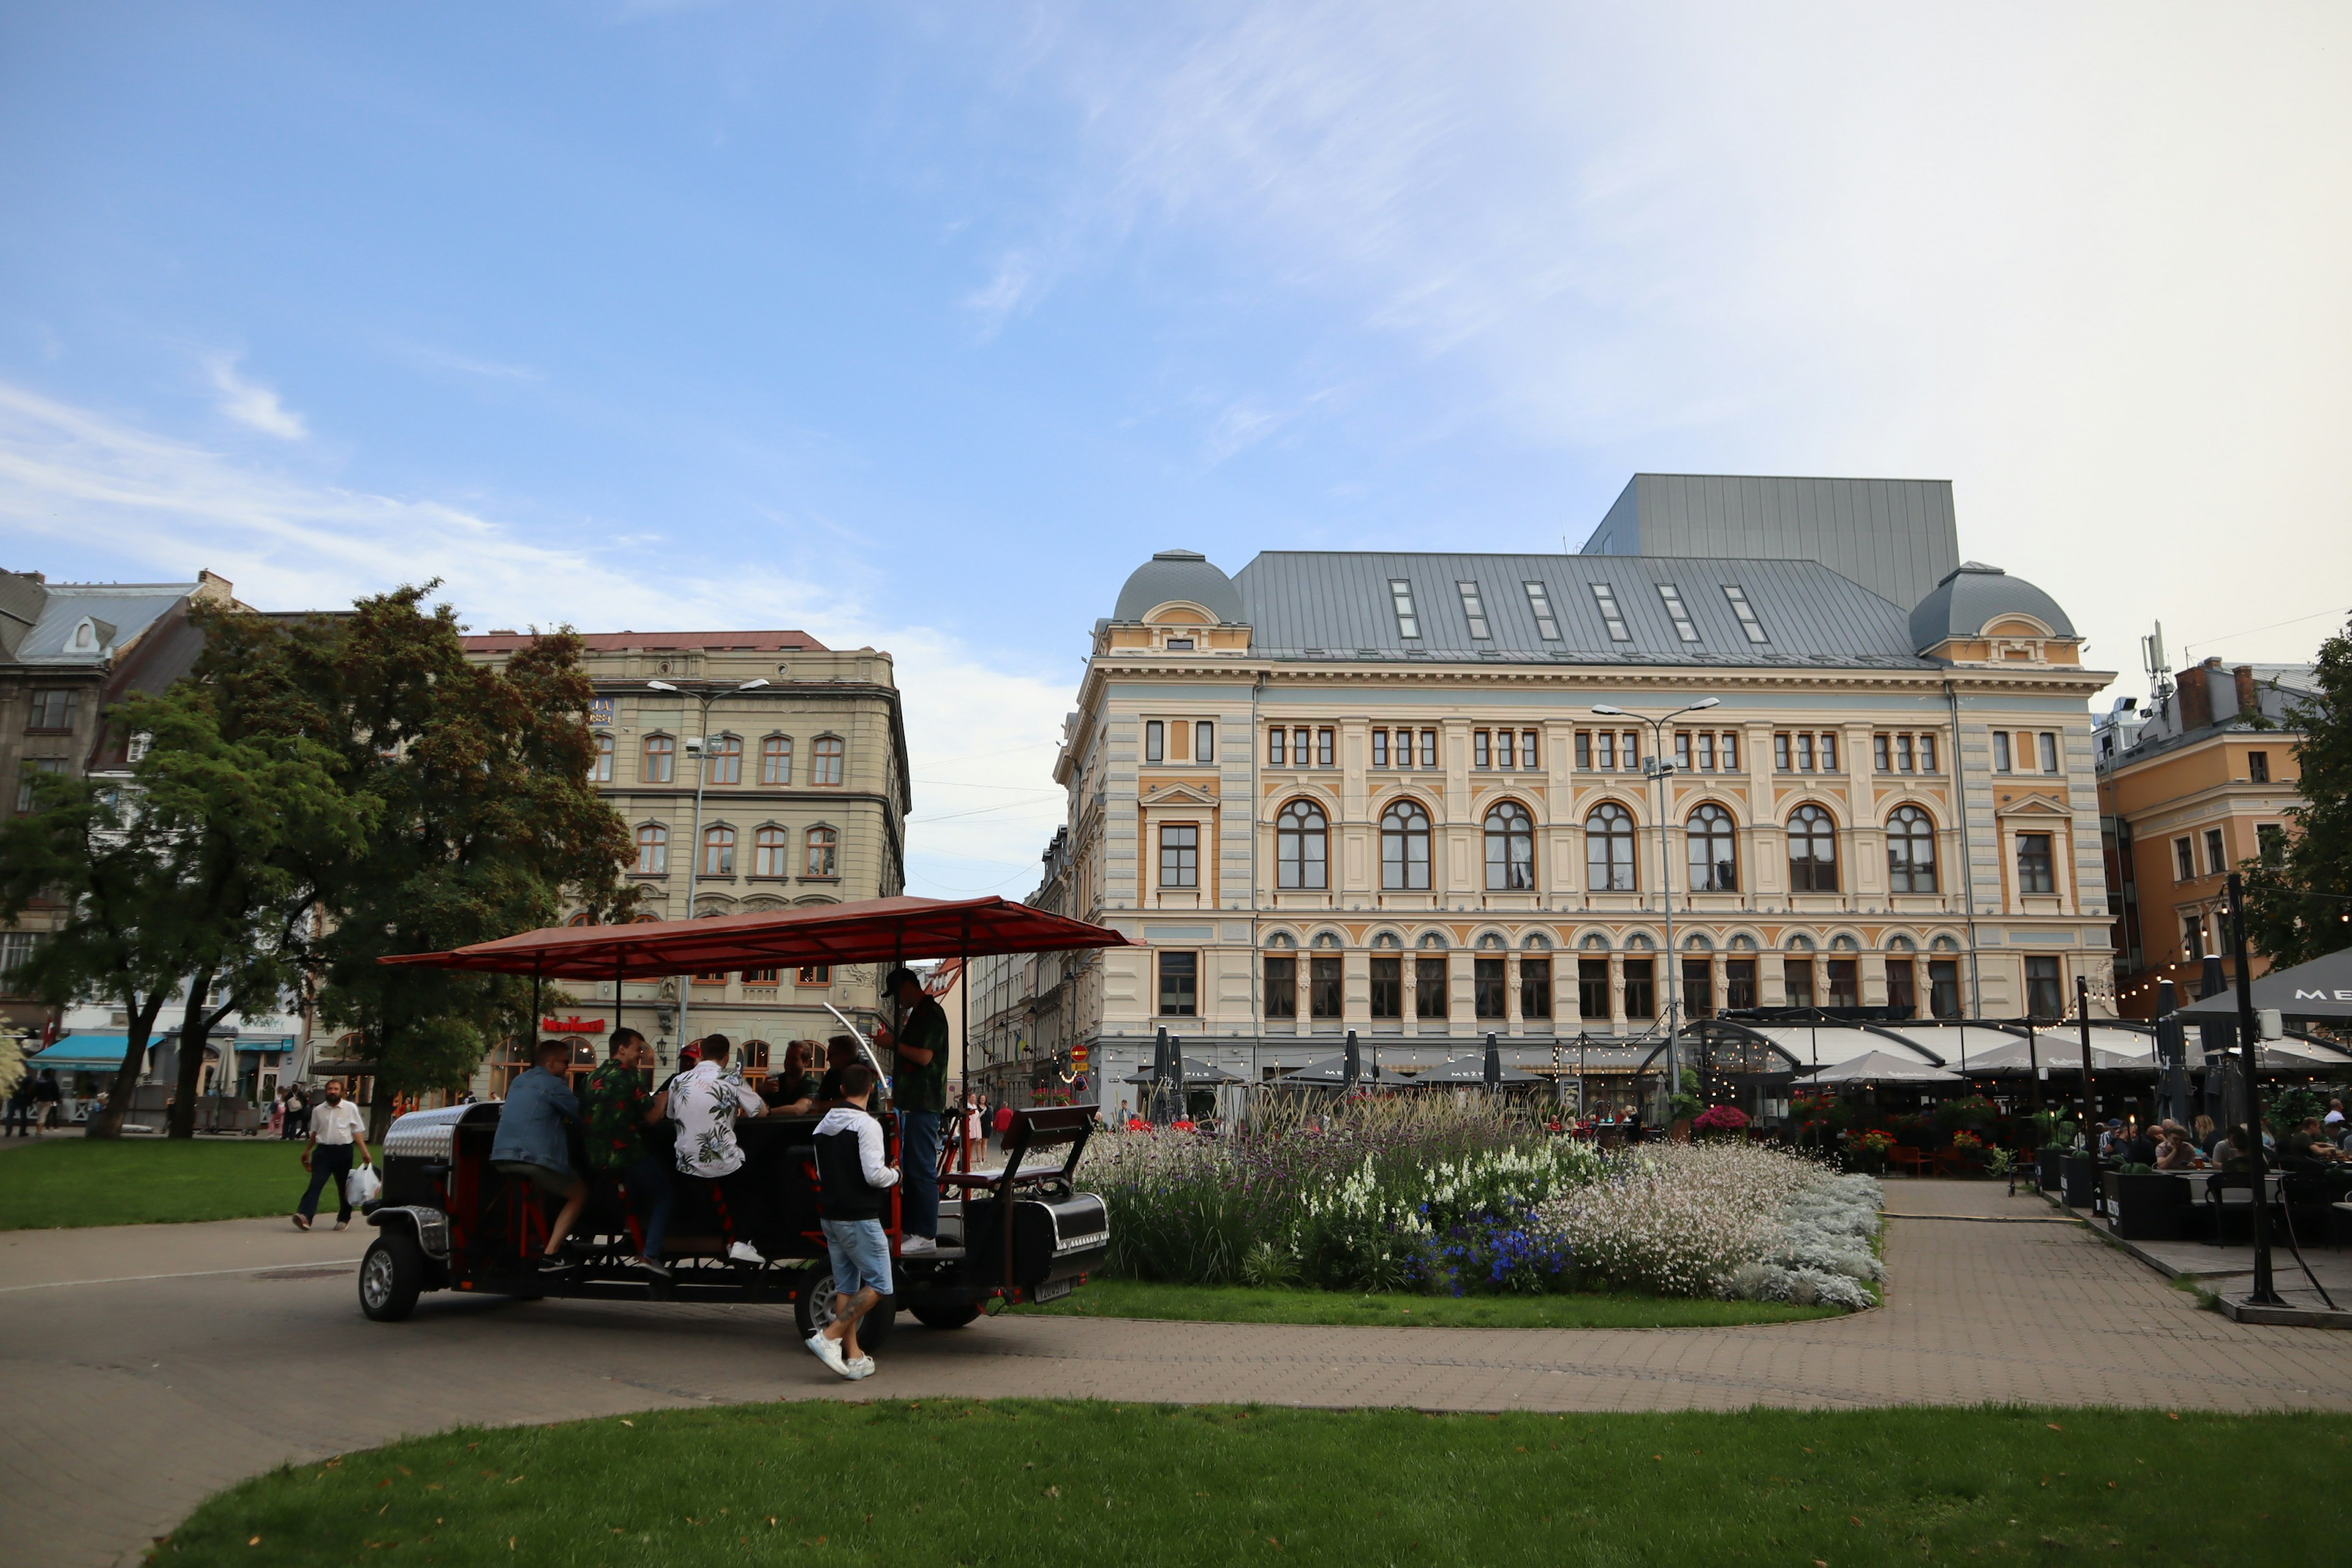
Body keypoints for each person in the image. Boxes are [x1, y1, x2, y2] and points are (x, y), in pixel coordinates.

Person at [806, 1061, 898, 1381]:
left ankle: (855, 1356)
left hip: (830, 1214)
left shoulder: (823, 1125)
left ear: (842, 1089)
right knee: (881, 1283)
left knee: (846, 1284)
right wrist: (896, 1174)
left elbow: (820, 1172)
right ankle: (829, 1337)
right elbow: (874, 1175)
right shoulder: (867, 1125)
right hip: (859, 1216)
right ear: (871, 1089)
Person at [665, 1033, 769, 1264]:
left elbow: (671, 1115)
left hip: (685, 1162)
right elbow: (761, 1112)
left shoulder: (678, 1081)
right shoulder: (731, 1079)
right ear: (726, 1057)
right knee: (757, 1184)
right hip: (722, 1163)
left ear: (701, 1053)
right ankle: (742, 1243)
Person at [491, 1039, 593, 1270]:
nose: (568, 1067)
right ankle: (552, 1253)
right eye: (566, 1062)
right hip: (531, 1157)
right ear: (551, 1062)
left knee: (538, 1190)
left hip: (501, 1156)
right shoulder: (554, 1085)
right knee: (580, 1194)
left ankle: (537, 1240)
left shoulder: (518, 1080)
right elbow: (582, 1116)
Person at [582, 1027, 674, 1276]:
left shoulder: (591, 1078)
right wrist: (665, 1097)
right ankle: (650, 1254)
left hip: (596, 1156)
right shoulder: (630, 1077)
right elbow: (653, 1118)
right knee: (665, 1193)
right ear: (622, 1049)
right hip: (625, 1153)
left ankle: (629, 1228)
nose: (641, 1055)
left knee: (635, 1185)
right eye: (638, 1049)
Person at [870, 967, 948, 1255]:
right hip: (916, 1103)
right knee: (915, 1169)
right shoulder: (921, 1013)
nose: (896, 1003)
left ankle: (925, 1234)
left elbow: (924, 1056)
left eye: (896, 996)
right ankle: (917, 1231)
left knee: (921, 1170)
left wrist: (893, 1044)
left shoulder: (930, 1014)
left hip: (922, 1102)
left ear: (906, 988)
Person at [293, 1079, 372, 1232]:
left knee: (344, 1187)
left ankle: (344, 1218)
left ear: (342, 1091)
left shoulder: (350, 1108)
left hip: (343, 1152)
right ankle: (305, 1216)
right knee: (316, 1184)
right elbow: (315, 1132)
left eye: (336, 1089)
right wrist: (307, 1151)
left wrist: (365, 1152)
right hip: (323, 1152)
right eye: (330, 1089)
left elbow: (357, 1132)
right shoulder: (318, 1110)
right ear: (326, 1091)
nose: (333, 1091)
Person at [761, 1039, 821, 1114]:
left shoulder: (811, 1085)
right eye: (787, 1057)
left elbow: (798, 1110)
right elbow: (755, 1107)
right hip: (774, 1125)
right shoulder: (777, 1080)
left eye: (794, 1059)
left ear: (806, 1063)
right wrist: (762, 1091)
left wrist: (767, 1113)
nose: (789, 1062)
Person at [4, 1071, 33, 1137]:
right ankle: (22, 1132)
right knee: (23, 1115)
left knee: (10, 1115)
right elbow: (30, 1088)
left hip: (14, 1097)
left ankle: (8, 1131)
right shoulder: (28, 1077)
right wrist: (30, 1098)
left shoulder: (14, 1076)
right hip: (23, 1098)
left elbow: (10, 1086)